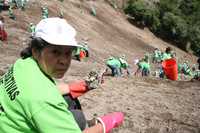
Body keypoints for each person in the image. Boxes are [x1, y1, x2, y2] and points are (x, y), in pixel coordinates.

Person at [0, 17, 124, 133]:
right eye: (55, 52)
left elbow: (50, 90)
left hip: (8, 122)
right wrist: (106, 124)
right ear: (36, 51)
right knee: (78, 118)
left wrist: (84, 86)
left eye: (68, 53)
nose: (64, 61)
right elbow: (45, 97)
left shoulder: (23, 64)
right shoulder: (45, 100)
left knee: (69, 99)